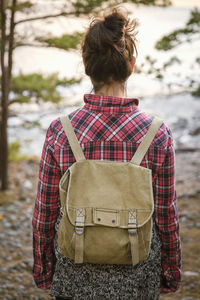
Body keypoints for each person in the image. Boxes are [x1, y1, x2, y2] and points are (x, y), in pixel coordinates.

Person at [32, 8, 181, 300]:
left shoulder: (61, 132)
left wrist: (44, 270)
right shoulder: (157, 135)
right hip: (137, 278)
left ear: (87, 65)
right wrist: (170, 272)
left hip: (75, 276)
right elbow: (166, 216)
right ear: (132, 65)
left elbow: (44, 214)